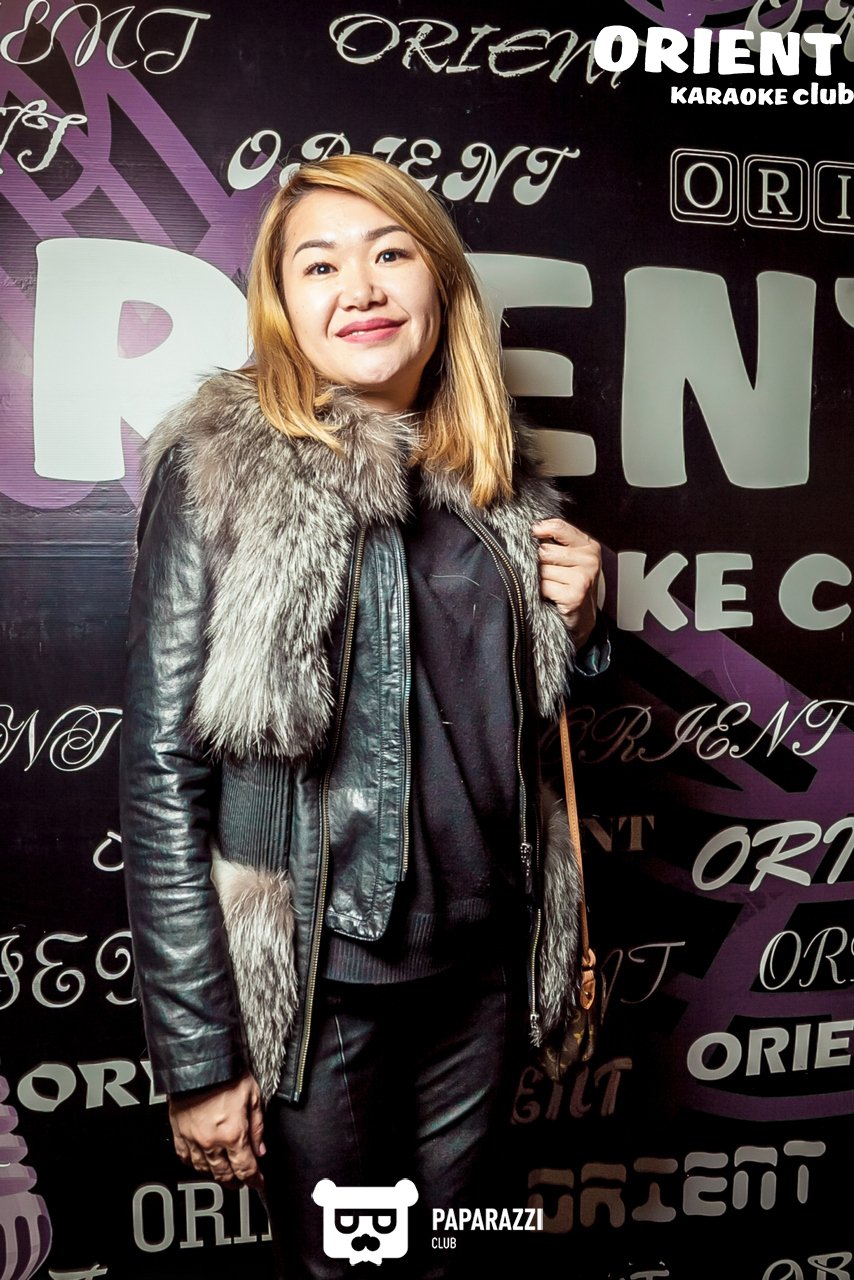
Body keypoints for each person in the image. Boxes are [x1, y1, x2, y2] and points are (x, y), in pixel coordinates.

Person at [119, 153, 607, 1278]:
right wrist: (198, 1055)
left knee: (455, 1257)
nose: (362, 288)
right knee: (349, 1273)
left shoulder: (498, 480)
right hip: (323, 984)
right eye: (320, 264)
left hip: (484, 970)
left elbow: (505, 727)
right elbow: (160, 771)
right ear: (282, 303)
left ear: (440, 284)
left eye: (392, 253)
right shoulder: (218, 468)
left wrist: (583, 628)